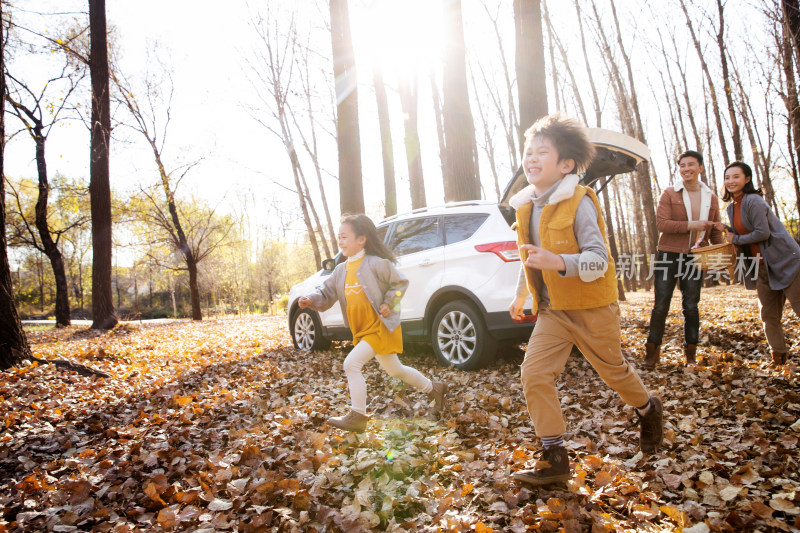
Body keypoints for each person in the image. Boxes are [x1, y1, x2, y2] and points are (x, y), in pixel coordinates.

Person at [507, 114, 663, 487]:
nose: (531, 158)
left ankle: (647, 407)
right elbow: (531, 257)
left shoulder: (580, 202)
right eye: (528, 152)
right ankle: (555, 456)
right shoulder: (526, 207)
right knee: (534, 374)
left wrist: (559, 262)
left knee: (614, 372)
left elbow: (599, 259)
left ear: (566, 165)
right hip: (553, 312)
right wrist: (521, 294)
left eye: (542, 152)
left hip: (593, 308)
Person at [298, 214, 448, 433]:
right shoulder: (341, 270)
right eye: (339, 237)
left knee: (351, 364)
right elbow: (327, 291)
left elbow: (400, 282)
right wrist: (311, 299)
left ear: (362, 239)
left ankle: (357, 416)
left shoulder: (376, 263)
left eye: (345, 237)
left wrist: (389, 302)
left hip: (380, 326)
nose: (340, 241)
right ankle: (434, 388)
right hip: (362, 329)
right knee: (395, 370)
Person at [644, 150, 724, 369]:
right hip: (668, 254)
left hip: (694, 257)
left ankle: (691, 353)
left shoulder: (711, 197)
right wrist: (693, 225)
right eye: (682, 165)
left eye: (691, 164)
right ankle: (652, 352)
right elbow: (662, 224)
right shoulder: (669, 193)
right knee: (661, 304)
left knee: (691, 305)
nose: (686, 169)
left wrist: (718, 253)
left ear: (700, 168)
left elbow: (715, 231)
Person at [719, 161, 800, 366]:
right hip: (762, 267)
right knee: (768, 315)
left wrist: (735, 239)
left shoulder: (753, 200)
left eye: (736, 177)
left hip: (786, 262)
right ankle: (779, 357)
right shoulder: (732, 207)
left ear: (747, 179)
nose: (731, 181)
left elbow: (762, 233)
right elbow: (747, 231)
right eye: (727, 177)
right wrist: (727, 229)